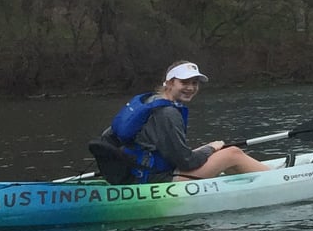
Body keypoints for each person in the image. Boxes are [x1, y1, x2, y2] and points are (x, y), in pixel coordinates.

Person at [93, 62, 273, 182]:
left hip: (140, 172)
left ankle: (253, 177)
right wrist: (211, 148)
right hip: (160, 180)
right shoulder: (168, 112)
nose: (191, 88)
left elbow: (108, 137)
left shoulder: (148, 101)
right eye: (185, 82)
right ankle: (278, 180)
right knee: (232, 153)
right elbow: (187, 162)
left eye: (195, 83)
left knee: (219, 152)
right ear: (170, 83)